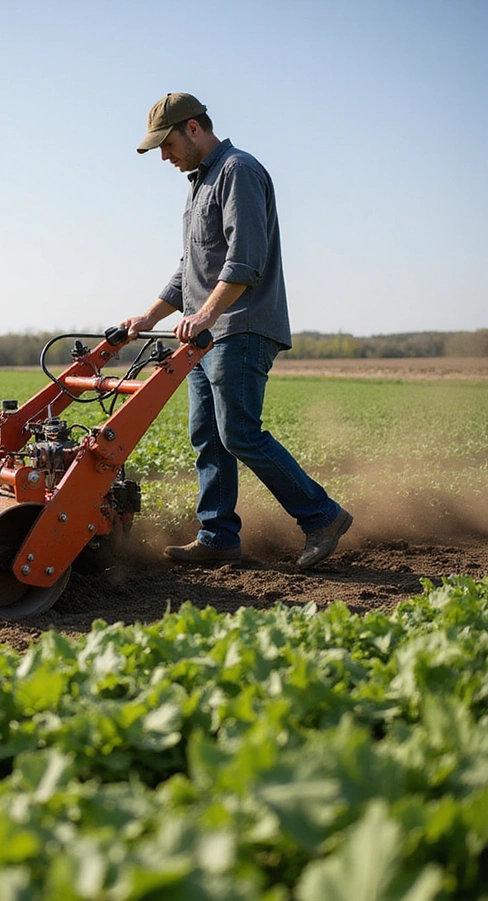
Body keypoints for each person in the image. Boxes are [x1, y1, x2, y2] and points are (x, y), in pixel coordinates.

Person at [121, 92, 352, 570]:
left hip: (240, 327)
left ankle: (322, 516)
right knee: (206, 434)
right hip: (206, 335)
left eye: (166, 144)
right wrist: (149, 319)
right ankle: (218, 536)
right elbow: (190, 268)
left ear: (192, 128)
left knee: (240, 433)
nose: (164, 156)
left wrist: (205, 315)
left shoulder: (238, 171)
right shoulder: (198, 184)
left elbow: (245, 261)